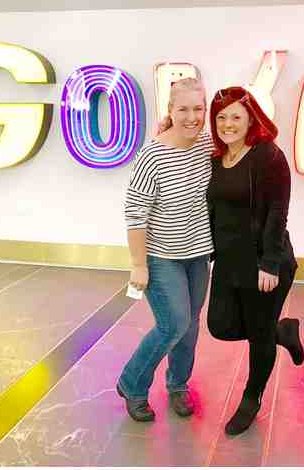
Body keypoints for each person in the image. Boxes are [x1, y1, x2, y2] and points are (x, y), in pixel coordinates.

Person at [206, 86, 304, 436]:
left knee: (258, 338)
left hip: (263, 263)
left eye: (236, 116)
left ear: (251, 119)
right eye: (220, 117)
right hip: (228, 262)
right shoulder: (217, 157)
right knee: (220, 326)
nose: (227, 123)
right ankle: (281, 331)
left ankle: (252, 397)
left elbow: (278, 212)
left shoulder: (268, 156)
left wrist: (270, 263)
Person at [117, 78, 213, 422]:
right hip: (161, 257)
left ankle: (178, 384)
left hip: (198, 255)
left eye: (198, 108)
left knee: (190, 325)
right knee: (173, 324)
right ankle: (132, 384)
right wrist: (138, 264)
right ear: (170, 110)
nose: (192, 117)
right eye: (183, 109)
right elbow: (135, 213)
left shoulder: (207, 143)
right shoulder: (152, 155)